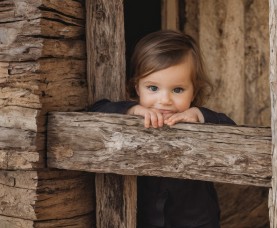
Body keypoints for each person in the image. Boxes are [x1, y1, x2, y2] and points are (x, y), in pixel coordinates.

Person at [89, 30, 235, 228]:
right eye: (153, 88)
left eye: (177, 90)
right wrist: (131, 110)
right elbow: (95, 113)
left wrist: (200, 115)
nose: (164, 101)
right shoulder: (132, 112)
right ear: (136, 87)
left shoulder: (196, 119)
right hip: (142, 218)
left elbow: (233, 134)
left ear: (194, 92)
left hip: (195, 220)